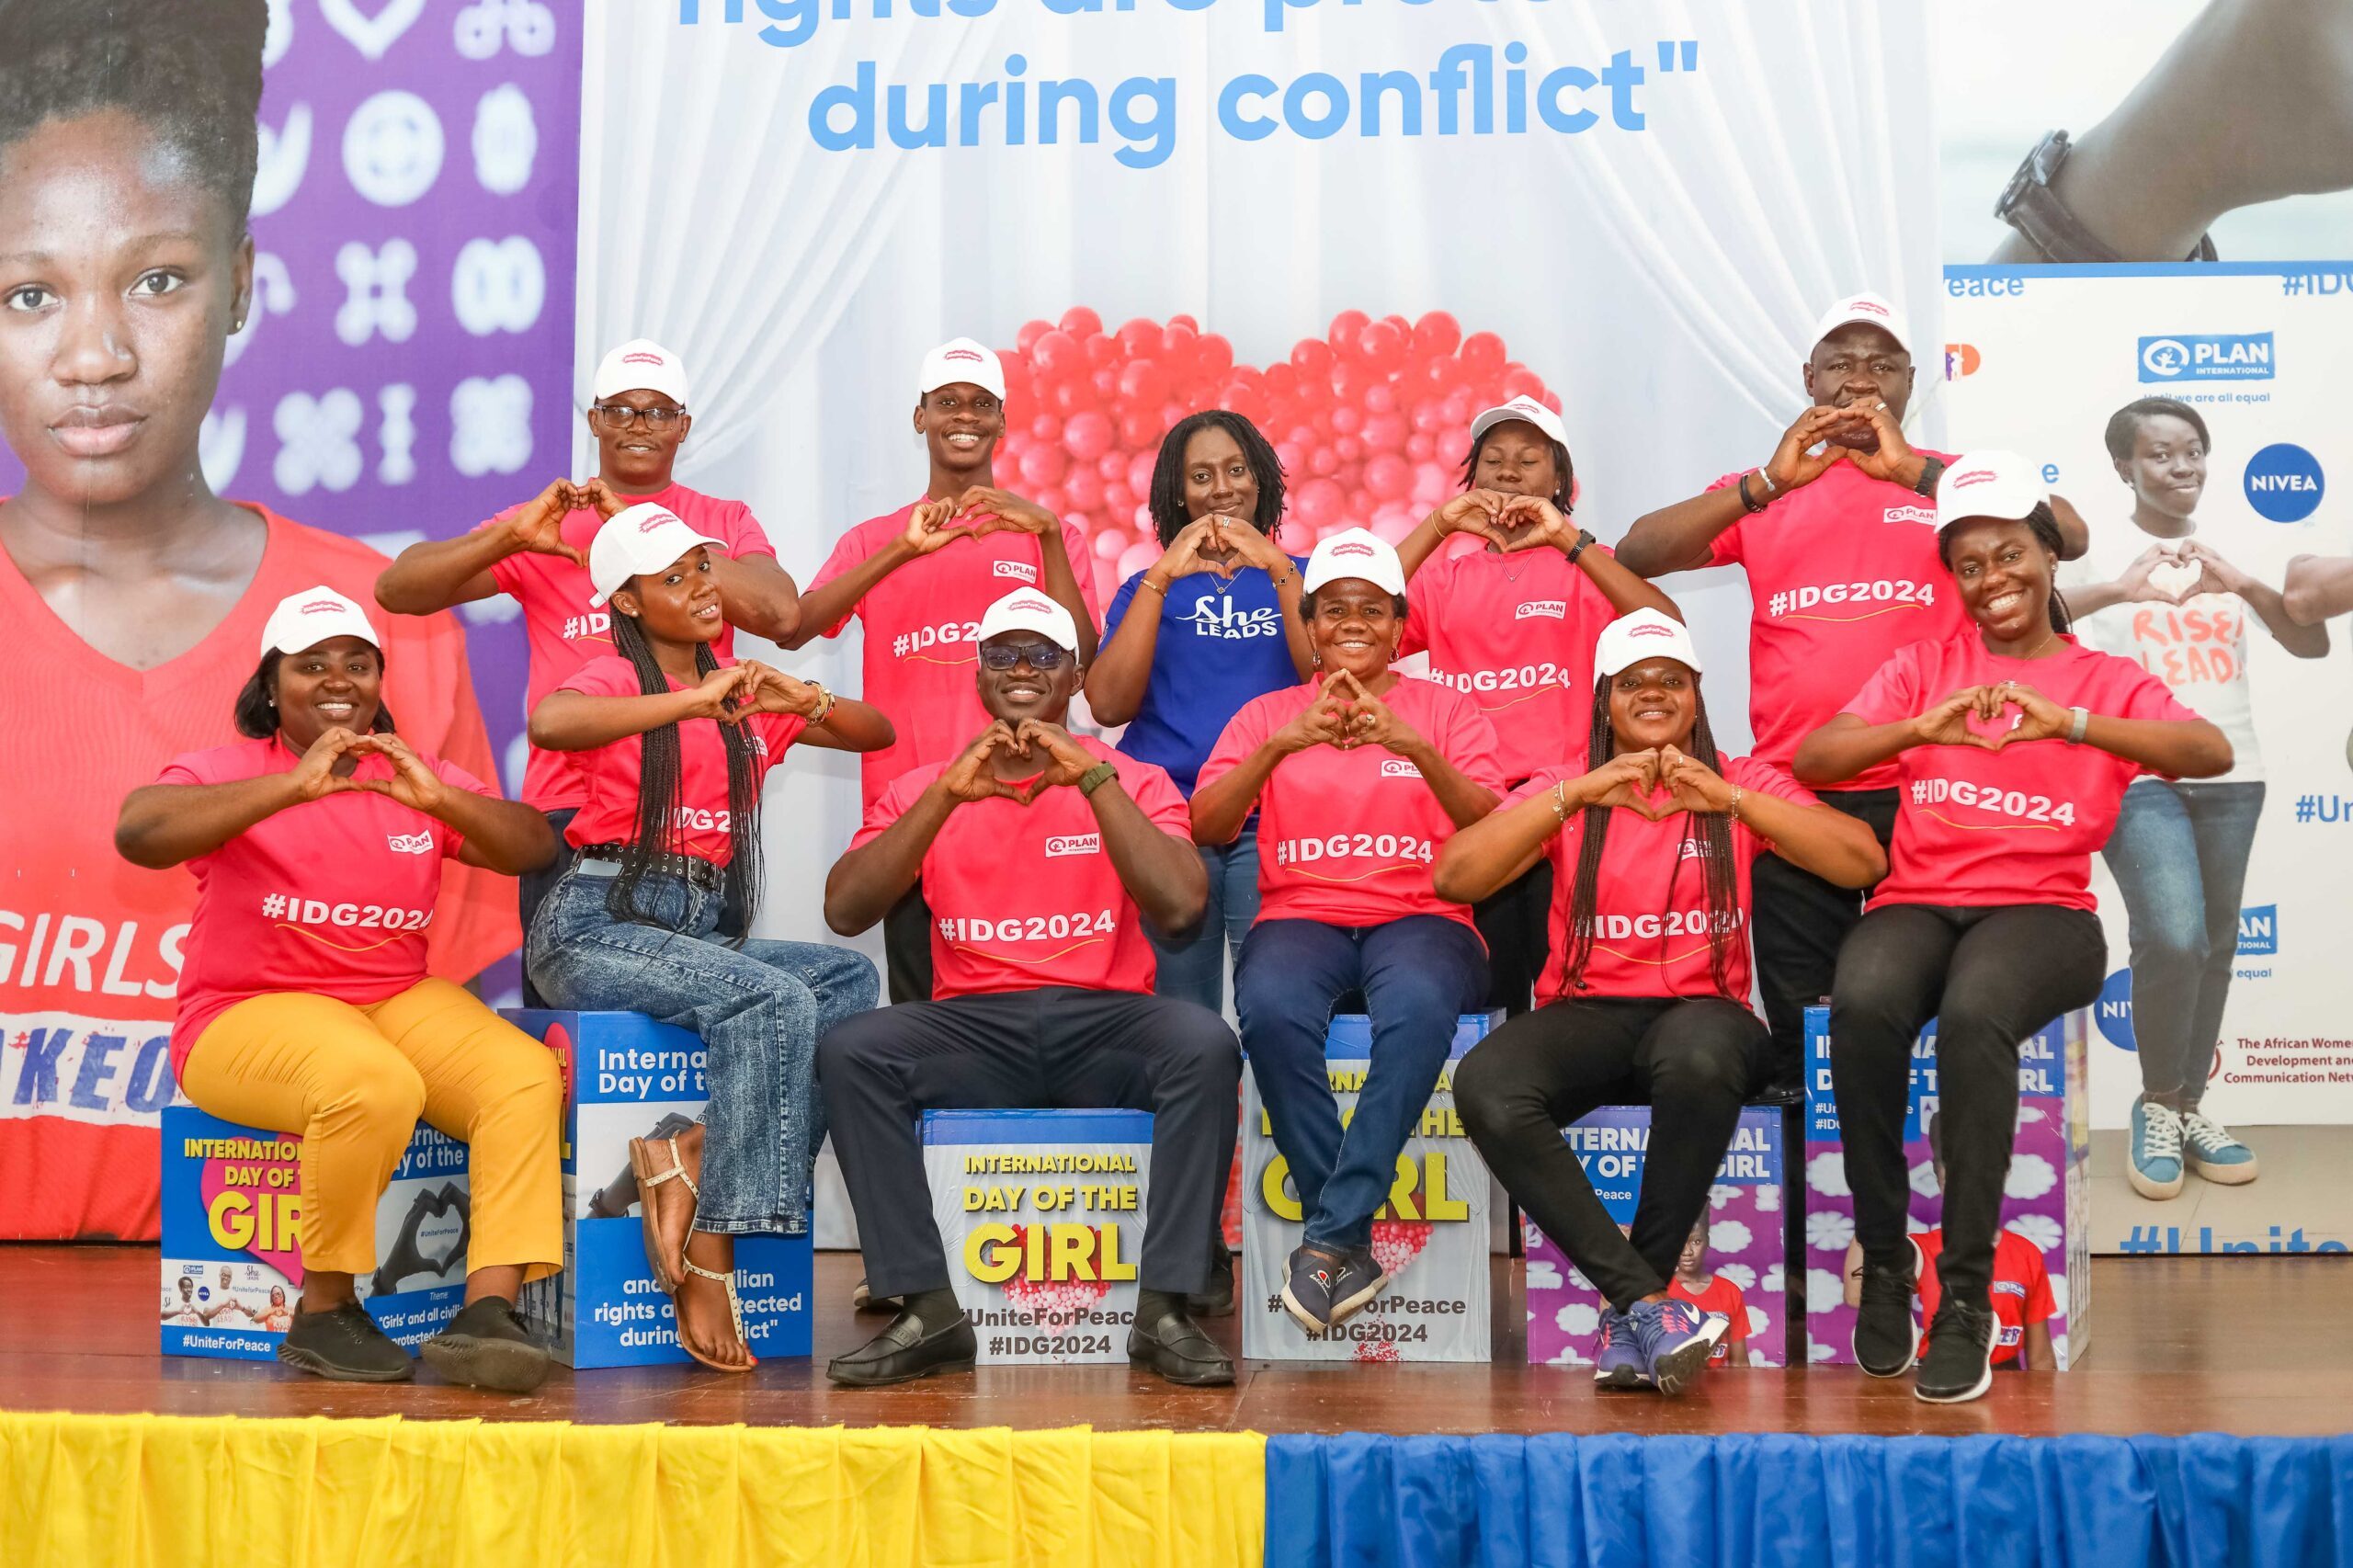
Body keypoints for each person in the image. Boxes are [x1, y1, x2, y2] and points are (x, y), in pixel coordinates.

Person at [0, 0, 509, 1244]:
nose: (95, 355)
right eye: (29, 294)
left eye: (157, 279)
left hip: (262, 1320)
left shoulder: (383, 632)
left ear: (241, 286)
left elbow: (420, 1023)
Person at [1794, 450, 2230, 1404]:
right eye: (1970, 565)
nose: (1992, 578)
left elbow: (2207, 747)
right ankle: (1885, 1256)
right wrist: (1918, 729)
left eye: (2008, 553)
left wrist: (2070, 724)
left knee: (1973, 1013)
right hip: (1919, 901)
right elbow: (1818, 754)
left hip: (2045, 912)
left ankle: (1963, 1294)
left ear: (2046, 553)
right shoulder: (1923, 667)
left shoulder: (2099, 677)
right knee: (1862, 1002)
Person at [1617, 293, 2088, 1088]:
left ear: (1913, 382)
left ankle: (1939, 1173)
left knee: (1946, 996)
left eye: (1882, 363)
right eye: (1840, 362)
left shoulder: (1957, 480)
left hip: (1936, 780)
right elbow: (1637, 551)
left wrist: (1910, 470)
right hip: (1804, 786)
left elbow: (2067, 534)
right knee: (1806, 1015)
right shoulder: (1767, 488)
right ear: (1810, 378)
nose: (1860, 379)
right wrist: (1766, 481)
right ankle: (1815, 1185)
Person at [113, 587, 564, 1390]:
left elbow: (532, 846)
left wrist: (442, 797)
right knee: (370, 1083)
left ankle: (487, 1311)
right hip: (244, 1014)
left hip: (391, 998)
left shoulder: (408, 775)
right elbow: (139, 830)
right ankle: (324, 1311)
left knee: (520, 1074)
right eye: (311, 664)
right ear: (270, 685)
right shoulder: (228, 772)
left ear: (378, 682)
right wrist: (293, 787)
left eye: (357, 664)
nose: (337, 679)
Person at [1438, 609, 1881, 1393]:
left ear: (1696, 696)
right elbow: (1457, 877)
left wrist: (1729, 802)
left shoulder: (1736, 779)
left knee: (1701, 1055)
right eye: (1632, 682)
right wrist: (1576, 795)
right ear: (1604, 699)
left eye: (1670, 681)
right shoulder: (1565, 784)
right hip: (1589, 1014)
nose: (1652, 694)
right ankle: (1645, 1302)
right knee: (1485, 1085)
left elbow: (1858, 860)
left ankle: (1632, 1313)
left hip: (1704, 1015)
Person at [819, 590, 1242, 1388]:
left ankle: (1163, 1307)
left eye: (1043, 655)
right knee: (851, 1050)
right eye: (1003, 654)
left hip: (1104, 1025)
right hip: (975, 1027)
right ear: (977, 675)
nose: (1021, 669)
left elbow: (1183, 905)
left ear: (1076, 677)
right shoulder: (922, 788)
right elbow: (845, 909)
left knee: (1205, 1043)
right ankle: (928, 1306)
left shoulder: (1135, 779)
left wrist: (1095, 782)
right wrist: (948, 794)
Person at [526, 506, 889, 1374]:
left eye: (701, 568)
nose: (699, 589)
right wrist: (693, 700)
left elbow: (878, 734)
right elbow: (550, 722)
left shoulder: (746, 699)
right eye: (673, 578)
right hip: (596, 921)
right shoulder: (615, 680)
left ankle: (696, 1149)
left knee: (842, 984)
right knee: (772, 997)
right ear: (627, 601)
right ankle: (710, 1248)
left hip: (698, 925)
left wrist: (808, 697)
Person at [376, 340, 801, 997]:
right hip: (574, 814)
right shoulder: (554, 525)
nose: (639, 425)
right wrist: (512, 535)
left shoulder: (722, 520)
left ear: (683, 426)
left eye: (658, 412)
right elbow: (399, 589)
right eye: (622, 411)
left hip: (704, 818)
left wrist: (636, 527)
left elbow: (780, 614)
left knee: (731, 1021)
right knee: (572, 1051)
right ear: (595, 421)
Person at [1193, 528, 1504, 1334]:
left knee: (1422, 1005)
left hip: (1424, 916)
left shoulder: (1445, 709)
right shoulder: (1268, 713)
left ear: (1400, 626)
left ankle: (1330, 1233)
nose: (1353, 623)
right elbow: (1210, 822)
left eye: (1372, 609)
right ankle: (1348, 1236)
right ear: (1311, 625)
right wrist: (1279, 748)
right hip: (1302, 914)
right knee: (1266, 1005)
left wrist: (1416, 748)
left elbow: (1491, 823)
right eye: (1334, 610)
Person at [785, 338, 1102, 1006]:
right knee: (924, 1017)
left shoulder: (1049, 533)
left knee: (1041, 992)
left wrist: (1044, 533)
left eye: (982, 404)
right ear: (920, 416)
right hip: (914, 809)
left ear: (1002, 421)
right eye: (948, 402)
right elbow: (799, 625)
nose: (966, 416)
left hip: (1031, 799)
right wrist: (900, 551)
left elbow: (1086, 656)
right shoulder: (876, 538)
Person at [2064, 398, 2324, 1196]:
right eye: (2160, 456)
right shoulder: (2095, 552)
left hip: (2235, 773)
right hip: (2141, 774)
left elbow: (2309, 640)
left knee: (2212, 947)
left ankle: (2186, 1106)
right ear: (2124, 468)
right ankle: (2155, 1105)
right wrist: (2118, 589)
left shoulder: (2244, 544)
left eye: (2192, 452)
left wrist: (2240, 581)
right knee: (2172, 937)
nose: (2182, 468)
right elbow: (2030, 624)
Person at [1394, 394, 1683, 1016]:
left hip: (1570, 808)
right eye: (1493, 459)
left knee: (1571, 986)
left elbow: (1669, 631)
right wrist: (1439, 526)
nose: (1508, 470)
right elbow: (1355, 619)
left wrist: (1571, 543)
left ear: (1562, 481)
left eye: (1529, 459)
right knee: (1488, 993)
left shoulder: (1586, 566)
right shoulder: (1444, 579)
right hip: (1476, 808)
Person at [1086, 410, 1312, 1016]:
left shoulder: (1304, 578)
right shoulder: (1145, 588)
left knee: (1280, 1014)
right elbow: (1106, 704)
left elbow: (1323, 670)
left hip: (1274, 820)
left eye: (1237, 470)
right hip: (1166, 823)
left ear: (1262, 480)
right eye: (1202, 476)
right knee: (1183, 1024)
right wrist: (1162, 576)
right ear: (1177, 495)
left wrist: (1274, 564)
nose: (1222, 488)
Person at [1841, 1112, 2057, 1374]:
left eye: (1976, 1180)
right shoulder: (1921, 1250)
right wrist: (1873, 1209)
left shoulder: (2026, 1253)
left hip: (2007, 1381)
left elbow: (2042, 1358)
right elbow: (1855, 1295)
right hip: (1938, 1375)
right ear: (1939, 1182)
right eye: (1951, 1181)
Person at [1670, 1222, 1754, 1370]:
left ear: (1707, 1242)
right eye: (1680, 1241)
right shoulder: (1661, 1290)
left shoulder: (1729, 1291)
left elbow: (1740, 1364)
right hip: (1674, 1387)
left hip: (1719, 1388)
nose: (1687, 1251)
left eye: (1696, 1241)